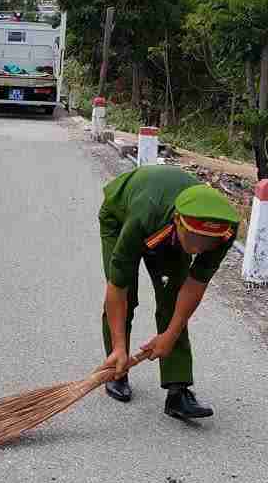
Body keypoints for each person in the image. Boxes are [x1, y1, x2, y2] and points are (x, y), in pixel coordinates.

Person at [98, 165, 240, 420]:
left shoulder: (223, 231)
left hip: (170, 230)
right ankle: (116, 369)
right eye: (195, 240)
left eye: (207, 242)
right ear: (178, 222)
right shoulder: (145, 216)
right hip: (121, 216)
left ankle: (178, 391)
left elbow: (195, 285)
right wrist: (120, 346)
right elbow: (116, 287)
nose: (199, 248)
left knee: (173, 298)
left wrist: (169, 335)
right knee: (126, 292)